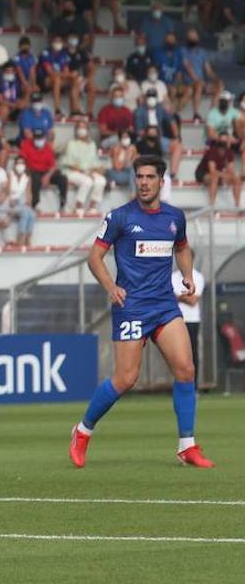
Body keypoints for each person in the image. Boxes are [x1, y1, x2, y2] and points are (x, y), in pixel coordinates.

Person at [70, 155, 213, 468]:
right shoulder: (120, 217)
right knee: (126, 378)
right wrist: (110, 286)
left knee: (186, 370)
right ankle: (82, 431)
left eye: (150, 177)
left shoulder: (175, 217)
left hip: (164, 304)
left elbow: (182, 247)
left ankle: (187, 445)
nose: (144, 183)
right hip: (131, 306)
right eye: (140, 177)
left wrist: (187, 273)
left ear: (162, 181)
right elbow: (95, 258)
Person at [133, 89, 183, 182]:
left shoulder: (160, 108)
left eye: (153, 97)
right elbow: (138, 131)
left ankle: (172, 174)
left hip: (159, 138)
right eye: (149, 97)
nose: (151, 99)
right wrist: (149, 132)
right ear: (145, 98)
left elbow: (171, 121)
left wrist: (176, 137)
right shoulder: (139, 111)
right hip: (145, 138)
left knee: (178, 146)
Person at [61, 119, 106, 216]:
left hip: (88, 171)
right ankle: (78, 206)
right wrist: (86, 172)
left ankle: (92, 207)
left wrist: (98, 169)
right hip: (72, 171)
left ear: (88, 130)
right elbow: (68, 163)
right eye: (79, 127)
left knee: (101, 180)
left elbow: (94, 162)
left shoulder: (92, 144)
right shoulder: (71, 143)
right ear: (76, 130)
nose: (81, 130)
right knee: (87, 181)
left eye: (84, 127)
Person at [173, 254, 206, 382]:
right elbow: (169, 297)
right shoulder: (172, 277)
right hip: (176, 319)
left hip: (192, 320)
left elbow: (193, 300)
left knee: (192, 353)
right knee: (177, 355)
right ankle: (179, 384)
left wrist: (178, 297)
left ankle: (194, 386)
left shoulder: (197, 277)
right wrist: (183, 297)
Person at [18, 128, 66, 210]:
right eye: (36, 138)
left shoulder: (47, 147)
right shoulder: (26, 144)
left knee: (62, 179)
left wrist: (47, 176)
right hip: (32, 171)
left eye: (40, 138)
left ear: (44, 137)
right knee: (35, 178)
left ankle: (62, 203)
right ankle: (35, 203)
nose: (38, 140)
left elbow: (53, 166)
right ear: (33, 137)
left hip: (45, 172)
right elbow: (21, 159)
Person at [195, 129, 242, 206]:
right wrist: (225, 175)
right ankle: (212, 205)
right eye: (223, 140)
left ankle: (237, 205)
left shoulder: (229, 152)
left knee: (237, 178)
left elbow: (230, 169)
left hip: (219, 173)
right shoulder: (212, 151)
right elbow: (212, 171)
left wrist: (232, 176)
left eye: (226, 139)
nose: (224, 142)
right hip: (203, 173)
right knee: (214, 178)